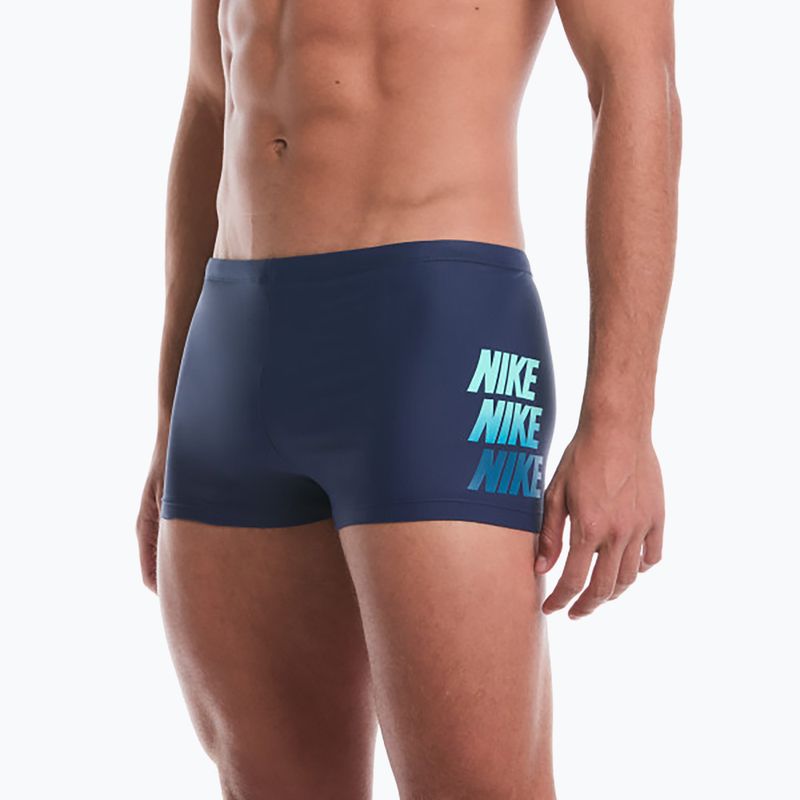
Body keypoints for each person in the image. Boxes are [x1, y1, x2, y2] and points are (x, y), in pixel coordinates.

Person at [136, 0, 680, 796]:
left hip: (437, 336)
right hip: (233, 346)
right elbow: (209, 99)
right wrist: (168, 415)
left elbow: (636, 80)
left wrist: (622, 420)